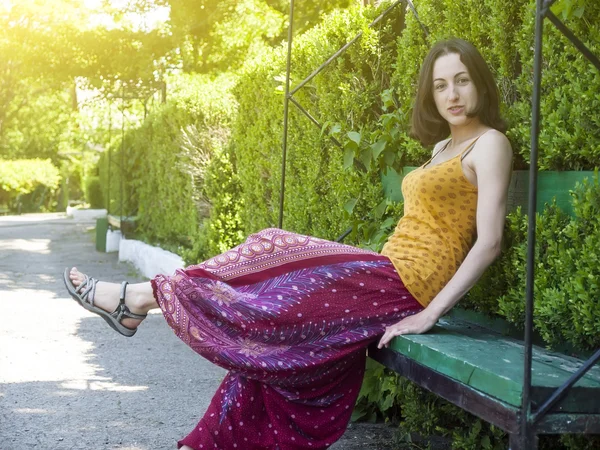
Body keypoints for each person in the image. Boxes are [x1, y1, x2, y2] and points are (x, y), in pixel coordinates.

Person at [64, 38, 512, 450]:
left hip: (409, 285)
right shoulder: (440, 148)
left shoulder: (490, 144)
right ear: (430, 95)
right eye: (440, 85)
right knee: (270, 352)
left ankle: (140, 297)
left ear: (479, 83)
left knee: (272, 245)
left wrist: (429, 314)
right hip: (387, 272)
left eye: (461, 80)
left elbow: (488, 242)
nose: (452, 94)